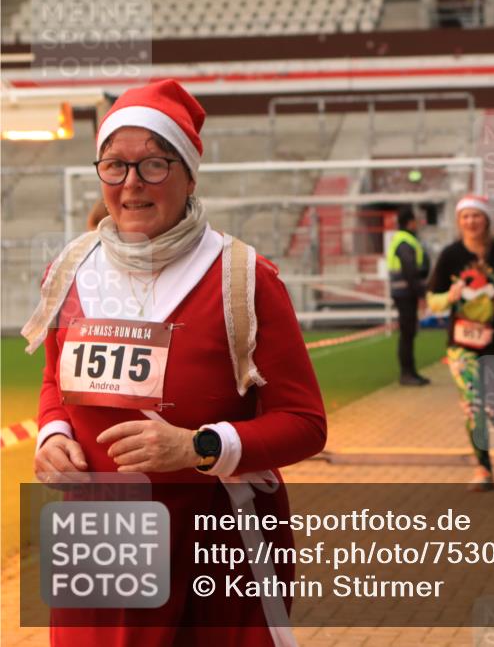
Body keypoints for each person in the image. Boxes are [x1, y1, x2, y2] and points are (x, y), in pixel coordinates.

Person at [23, 79, 326, 645]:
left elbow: (306, 424)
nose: (131, 183)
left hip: (218, 542)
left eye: (154, 165)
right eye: (114, 165)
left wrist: (199, 447)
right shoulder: (70, 269)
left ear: (188, 174)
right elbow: (54, 381)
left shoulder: (244, 277)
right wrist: (52, 433)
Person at [426, 195, 494, 491]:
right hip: (462, 343)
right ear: (459, 222)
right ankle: (483, 468)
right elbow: (432, 300)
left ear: (486, 220)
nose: (471, 222)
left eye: (476, 216)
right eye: (465, 217)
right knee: (473, 406)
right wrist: (450, 297)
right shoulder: (450, 256)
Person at [387, 207, 431, 385]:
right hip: (405, 293)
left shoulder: (405, 240)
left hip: (405, 292)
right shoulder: (405, 242)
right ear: (409, 222)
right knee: (407, 333)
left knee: (409, 333)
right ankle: (407, 374)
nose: (417, 224)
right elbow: (410, 270)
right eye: (415, 221)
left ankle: (411, 372)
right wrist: (420, 293)